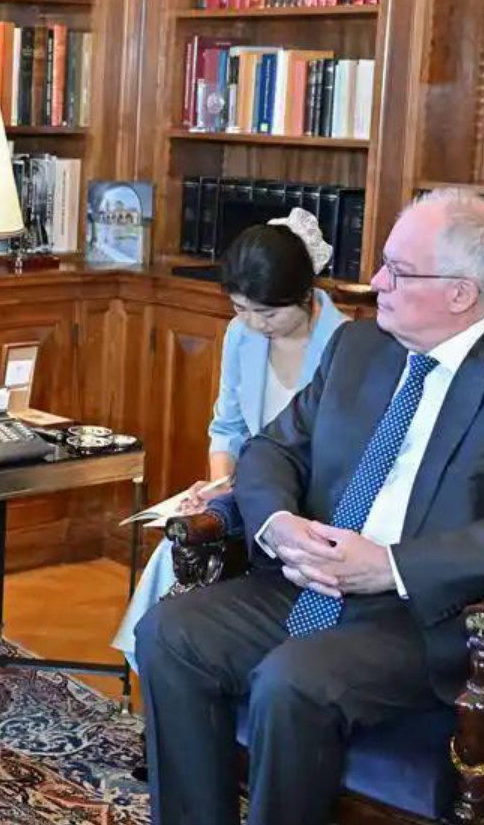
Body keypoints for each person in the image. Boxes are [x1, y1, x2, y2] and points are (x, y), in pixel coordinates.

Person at [135, 188, 484, 825]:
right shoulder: (359, 347)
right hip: (309, 581)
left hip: (430, 618)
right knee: (169, 632)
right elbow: (272, 448)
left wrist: (393, 566)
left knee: (291, 681)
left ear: (460, 293)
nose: (376, 281)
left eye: (398, 271)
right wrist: (277, 523)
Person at [112, 208, 346, 668]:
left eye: (268, 312)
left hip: (312, 505)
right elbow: (228, 427)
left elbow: (339, 454)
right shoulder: (241, 336)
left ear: (304, 294)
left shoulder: (345, 344)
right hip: (249, 491)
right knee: (176, 549)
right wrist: (219, 485)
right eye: (241, 309)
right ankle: (161, 667)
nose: (255, 323)